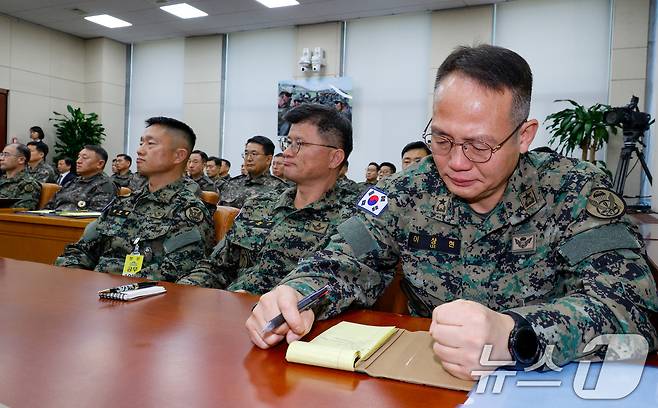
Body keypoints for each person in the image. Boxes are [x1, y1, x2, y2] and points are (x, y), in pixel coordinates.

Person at [245, 45, 658, 380]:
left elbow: (636, 314)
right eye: (442, 139)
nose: (456, 162)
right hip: (425, 379)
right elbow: (342, 260)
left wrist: (516, 334)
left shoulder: (575, 192)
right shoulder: (406, 190)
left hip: (544, 382)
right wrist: (299, 293)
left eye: (480, 145)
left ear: (524, 136)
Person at [178, 104, 357, 292]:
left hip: (292, 316)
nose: (287, 152)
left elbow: (347, 285)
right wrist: (181, 293)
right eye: (288, 143)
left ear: (335, 158)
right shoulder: (259, 205)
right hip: (231, 310)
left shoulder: (354, 218)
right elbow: (215, 268)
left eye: (300, 144)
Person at [55, 117, 214, 282]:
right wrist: (71, 277)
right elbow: (81, 250)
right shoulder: (126, 203)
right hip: (95, 290)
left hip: (140, 297)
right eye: (141, 143)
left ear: (178, 156)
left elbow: (177, 273)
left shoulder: (188, 211)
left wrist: (113, 286)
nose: (140, 150)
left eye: (150, 144)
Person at [218, 136, 286, 208]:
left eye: (254, 154)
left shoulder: (280, 189)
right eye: (246, 153)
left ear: (268, 159)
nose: (249, 158)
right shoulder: (231, 184)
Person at [45, 145, 116, 211]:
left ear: (100, 164)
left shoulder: (105, 185)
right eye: (79, 157)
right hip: (53, 220)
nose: (78, 161)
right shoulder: (71, 182)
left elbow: (95, 216)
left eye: (84, 158)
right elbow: (49, 206)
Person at [0, 143, 40, 209]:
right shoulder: (2, 179)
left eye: (6, 155)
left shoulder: (28, 183)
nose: (1, 158)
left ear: (21, 160)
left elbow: (21, 211)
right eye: (2, 154)